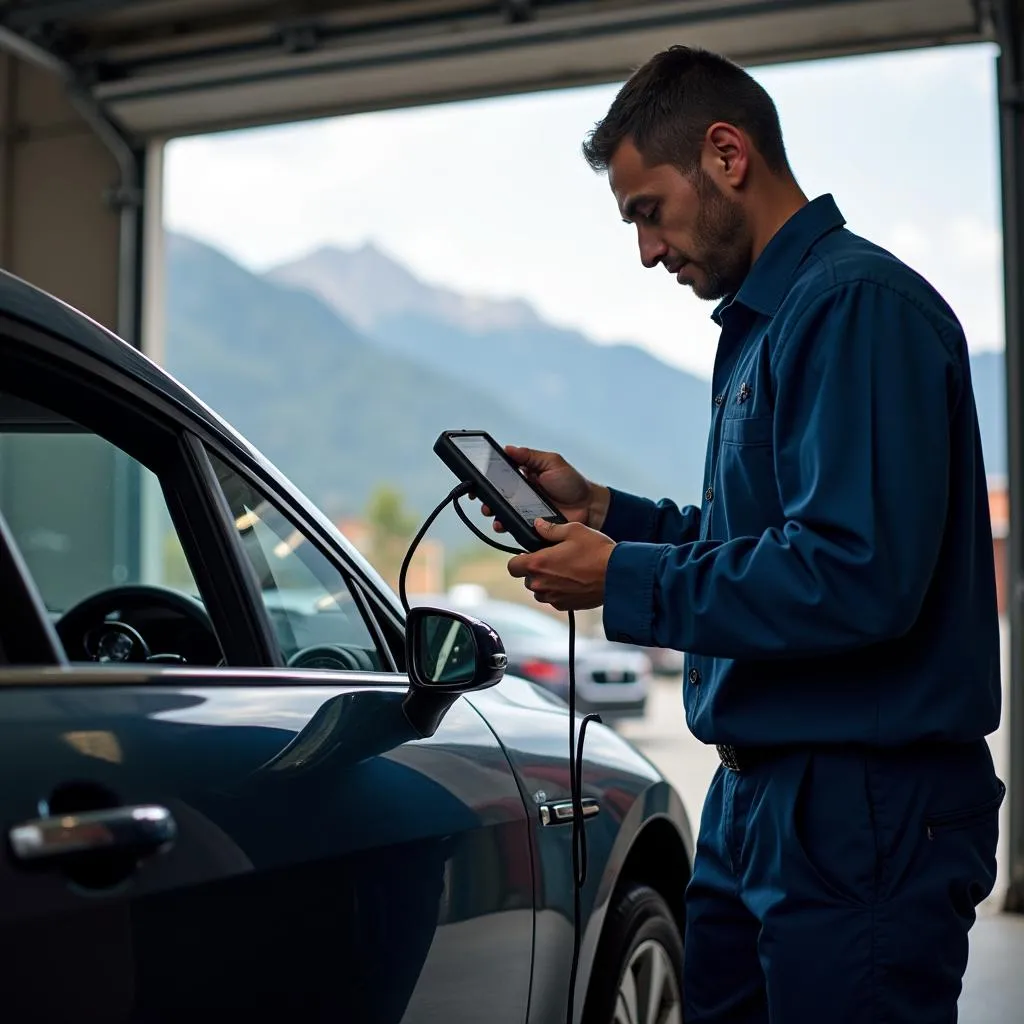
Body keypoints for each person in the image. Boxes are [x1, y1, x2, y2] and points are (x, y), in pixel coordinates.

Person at [481, 45, 1005, 1023]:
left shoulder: (854, 309)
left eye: (646, 211)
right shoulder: (769, 323)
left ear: (726, 154)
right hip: (759, 797)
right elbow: (751, 540)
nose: (644, 250)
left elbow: (854, 574)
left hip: (861, 806)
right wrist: (609, 516)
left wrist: (624, 577)